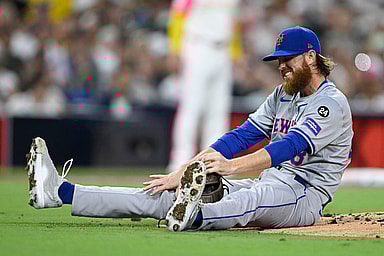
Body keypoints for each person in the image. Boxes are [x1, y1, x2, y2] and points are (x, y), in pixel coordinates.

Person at [27, 26, 353, 232]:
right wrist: (183, 172)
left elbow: (288, 147)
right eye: (278, 60)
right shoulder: (283, 94)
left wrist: (231, 167)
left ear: (311, 58)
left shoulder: (331, 103)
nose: (281, 66)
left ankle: (195, 218)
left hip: (303, 195)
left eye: (288, 58)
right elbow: (240, 137)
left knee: (253, 198)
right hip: (270, 180)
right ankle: (59, 192)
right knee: (164, 193)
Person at [166, 0, 243, 172]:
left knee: (219, 110)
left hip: (223, 50)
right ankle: (180, 162)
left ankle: (213, 163)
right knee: (191, 107)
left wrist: (236, 52)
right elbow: (177, 16)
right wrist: (175, 49)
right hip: (197, 46)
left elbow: (234, 22)